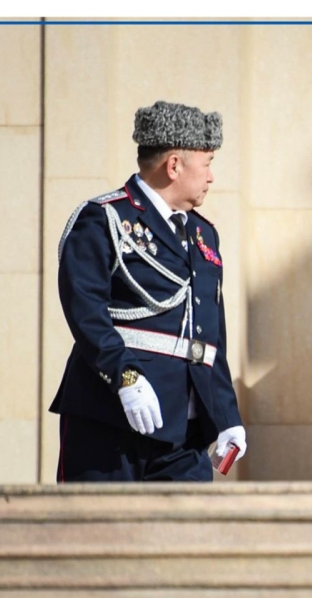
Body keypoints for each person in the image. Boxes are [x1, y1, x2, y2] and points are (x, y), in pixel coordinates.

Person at [50, 100, 247, 482]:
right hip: (110, 418)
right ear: (174, 165)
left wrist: (225, 415)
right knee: (98, 535)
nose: (211, 177)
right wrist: (125, 377)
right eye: (206, 163)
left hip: (185, 432)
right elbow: (85, 311)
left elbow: (207, 336)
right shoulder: (104, 217)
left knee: (185, 539)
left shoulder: (203, 234)